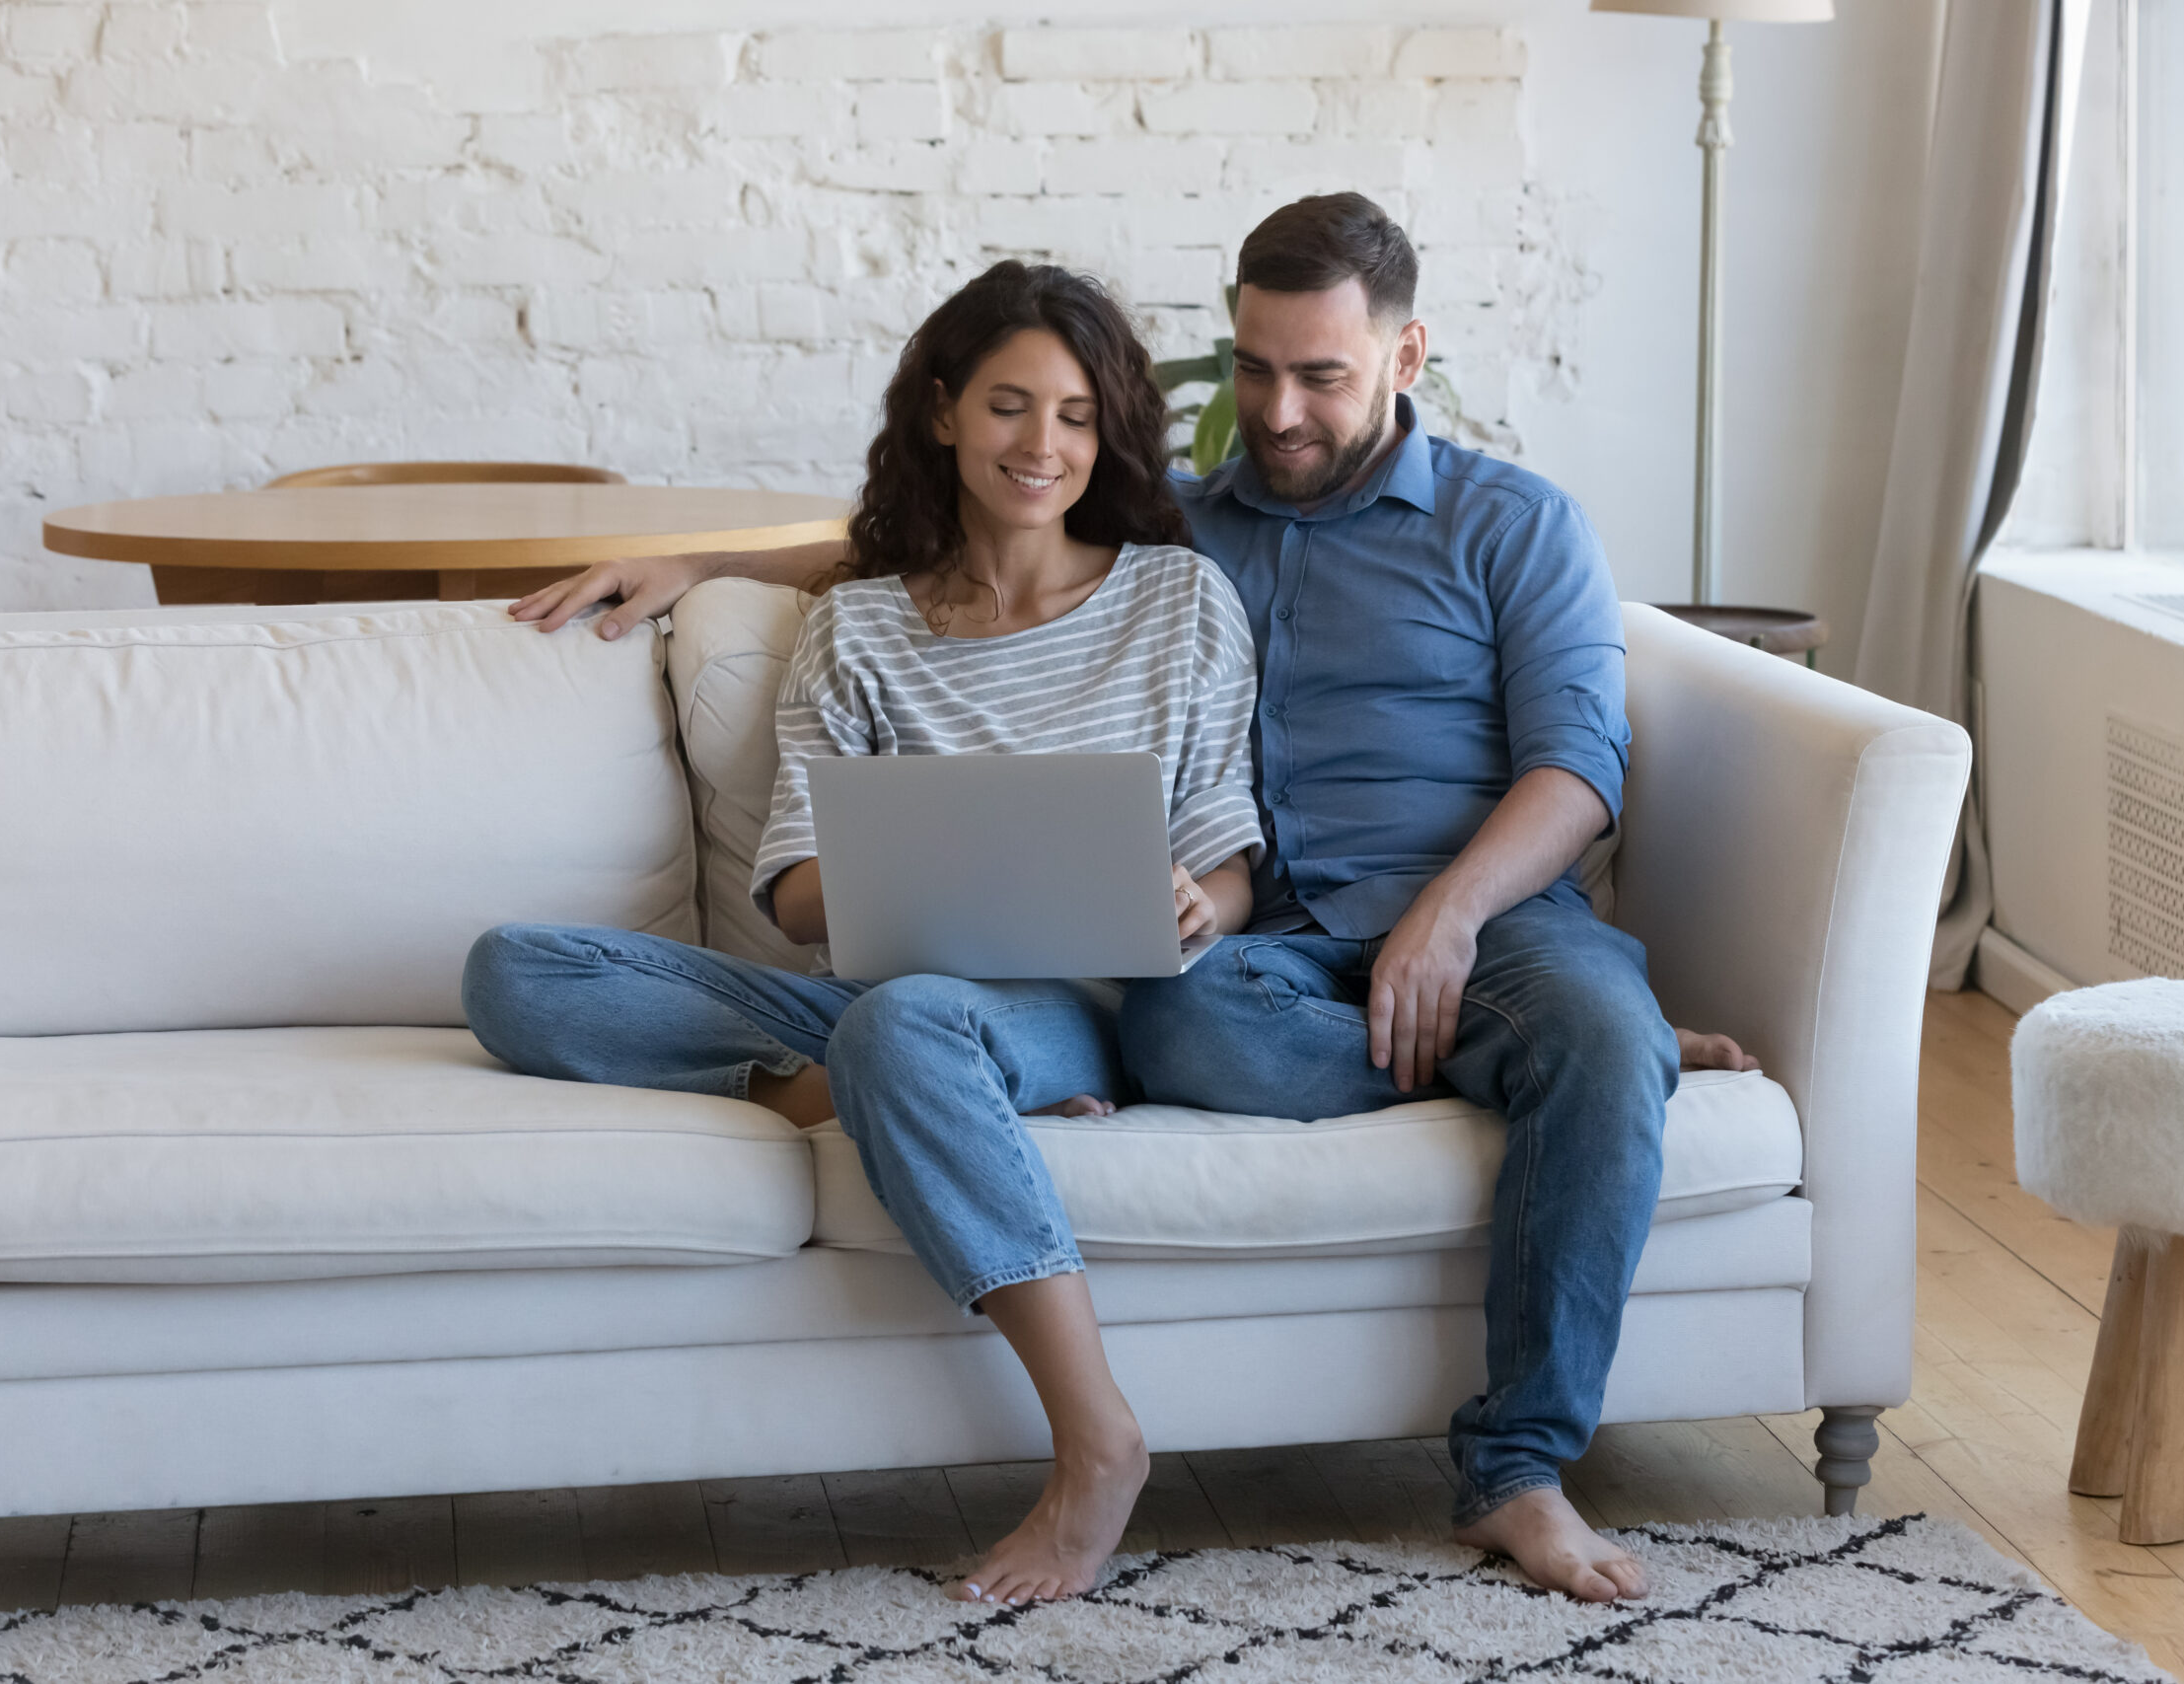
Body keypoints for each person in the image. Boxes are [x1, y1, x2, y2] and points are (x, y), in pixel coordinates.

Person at [504, 197, 1754, 1607]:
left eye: (1320, 376)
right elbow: (954, 530)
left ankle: (1521, 1453)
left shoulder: (1508, 526)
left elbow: (1581, 764)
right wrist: (705, 566)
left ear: (1408, 357)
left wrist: (1450, 917)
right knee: (1168, 1029)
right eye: (1256, 368)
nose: (1275, 411)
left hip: (1483, 917)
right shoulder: (1191, 529)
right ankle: (862, 1072)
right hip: (1260, 967)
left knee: (1577, 1028)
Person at [464, 259, 1262, 1606]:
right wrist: (919, 858)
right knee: (518, 973)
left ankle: (1097, 1441)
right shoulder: (860, 627)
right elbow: (791, 891)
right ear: (944, 412)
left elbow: (1229, 856)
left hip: (1071, 1006)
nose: (1043, 446)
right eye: (1011, 407)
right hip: (879, 998)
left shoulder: (1179, 603)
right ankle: (860, 1094)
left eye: (1074, 416)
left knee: (913, 1021)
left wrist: (1198, 901)